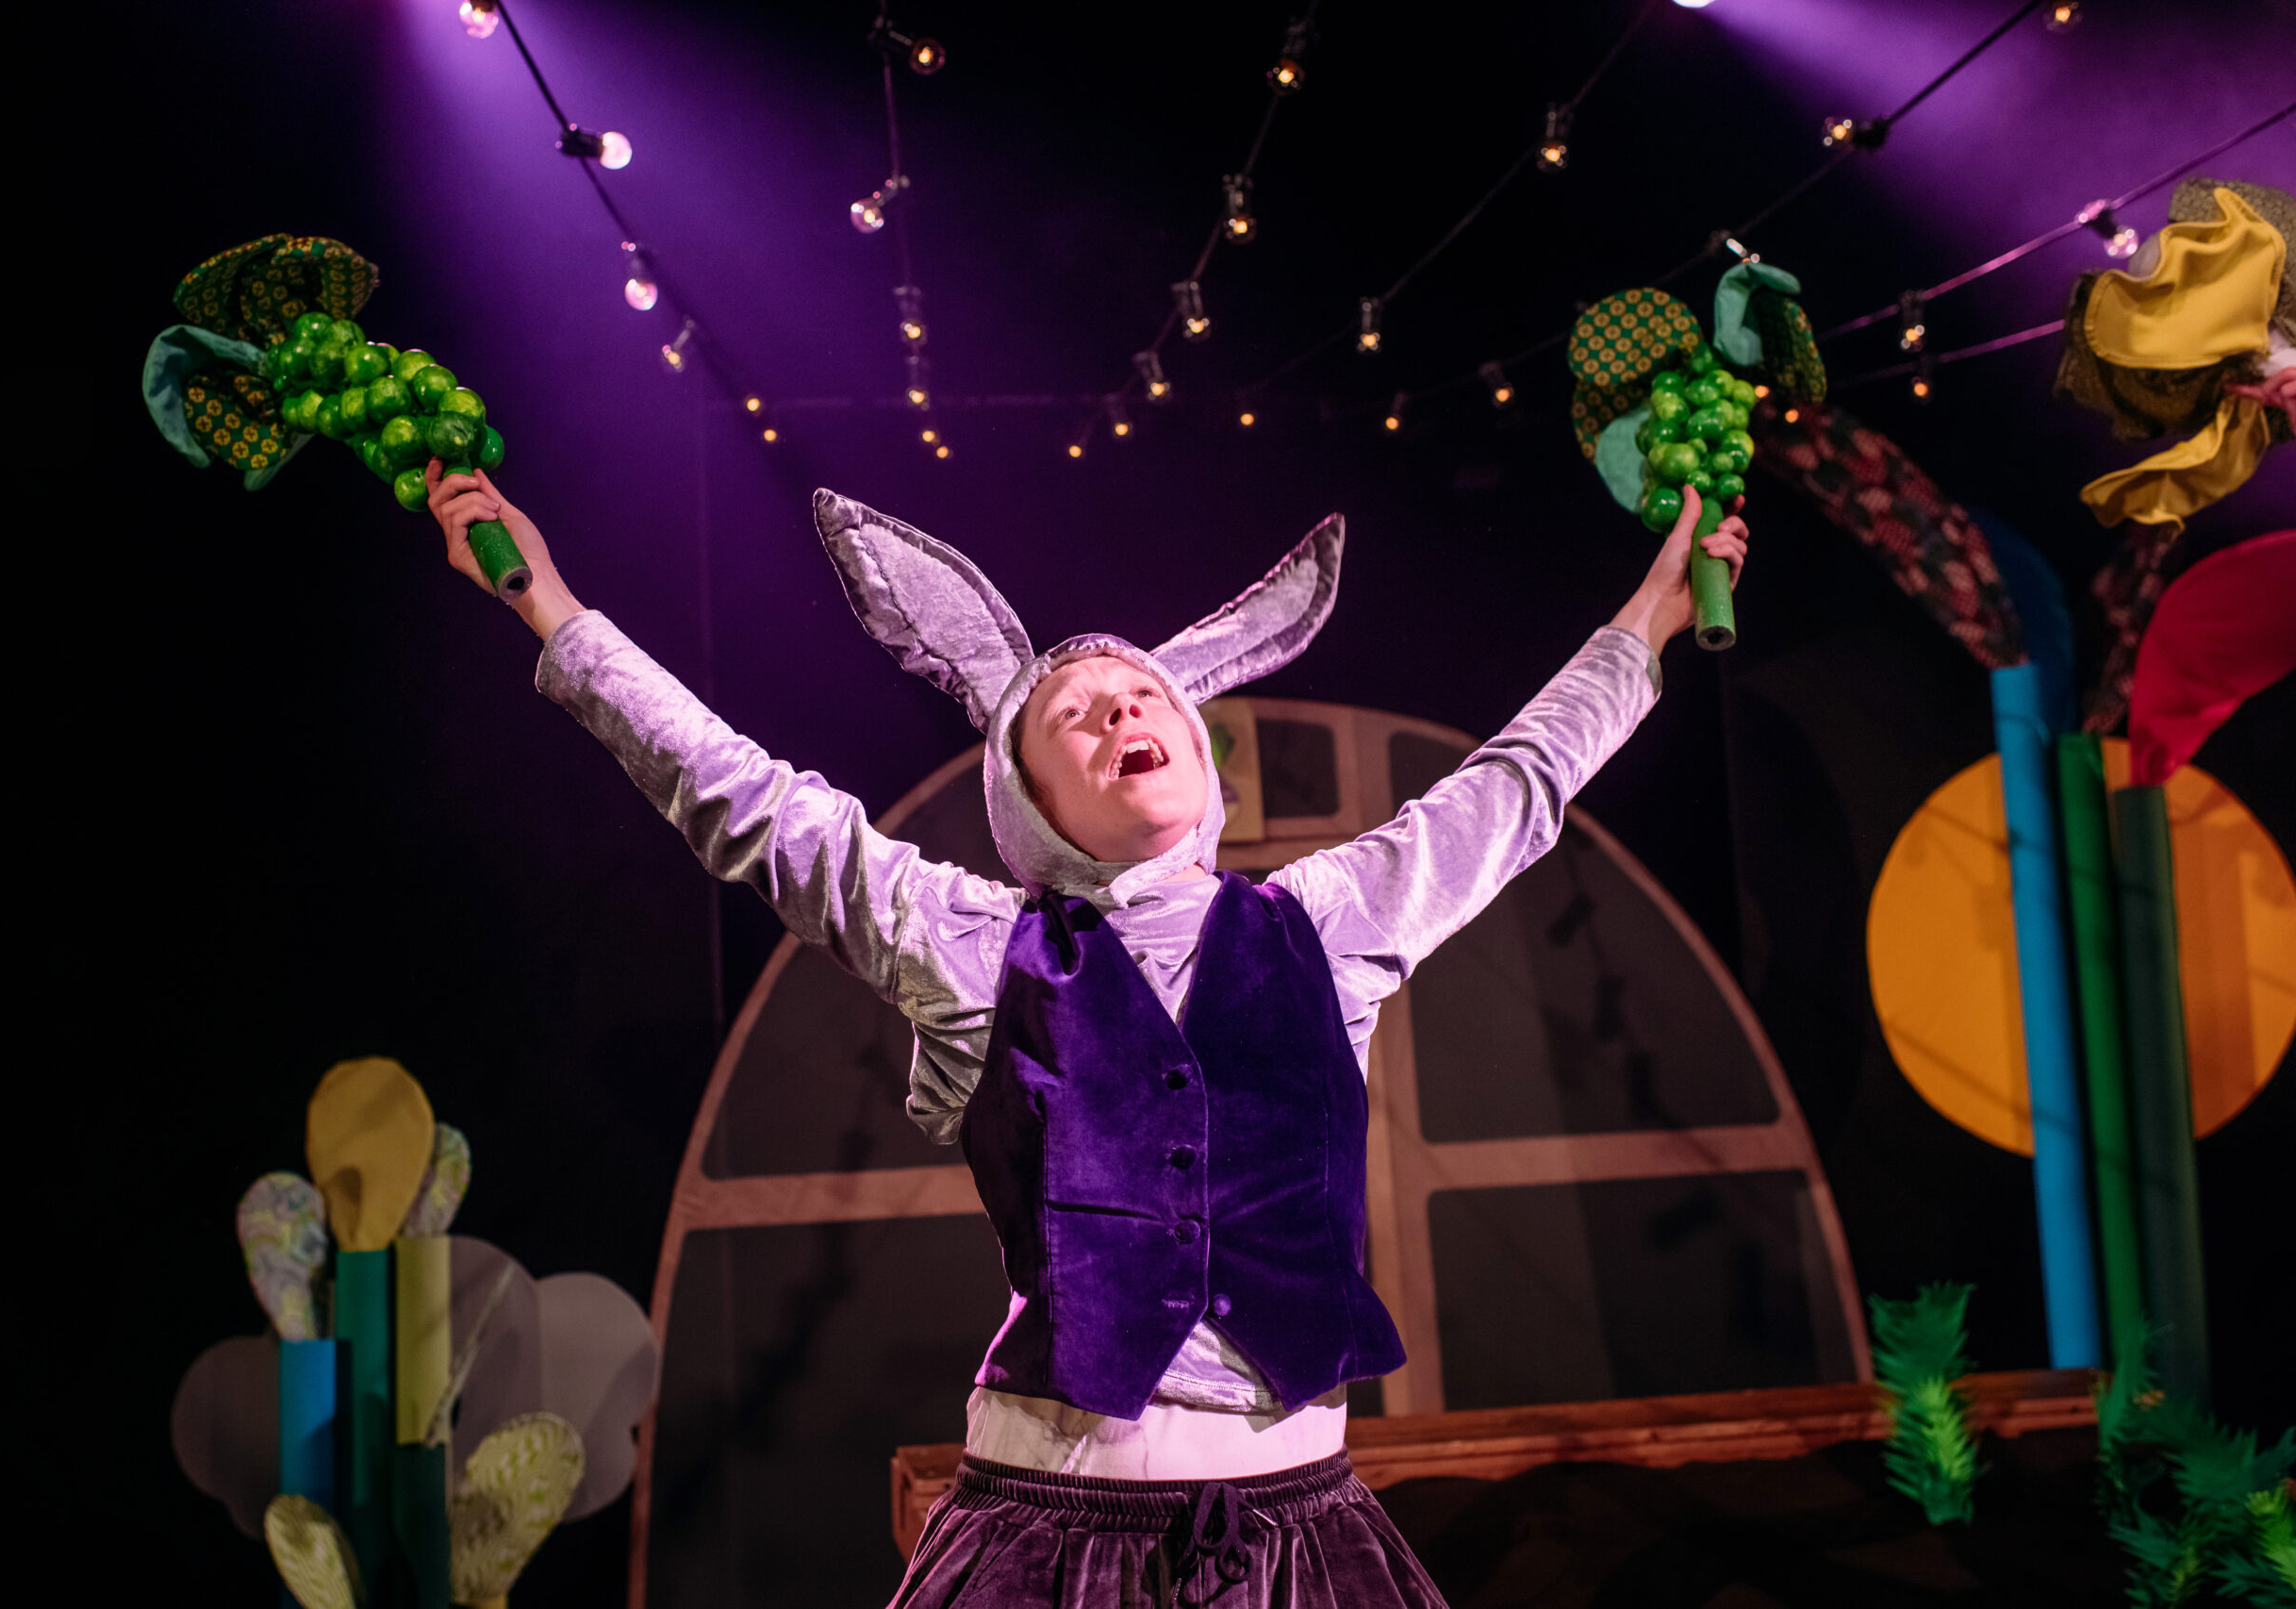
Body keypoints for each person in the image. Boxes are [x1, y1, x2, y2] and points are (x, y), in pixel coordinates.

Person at [425, 462, 1749, 1608]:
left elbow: (1513, 788)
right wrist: (551, 607)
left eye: (1149, 698)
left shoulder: (1323, 921)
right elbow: (751, 803)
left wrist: (1652, 617)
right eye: (1077, 711)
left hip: (1302, 1519)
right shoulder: (971, 942)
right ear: (1027, 795)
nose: (1125, 710)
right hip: (1060, 1532)